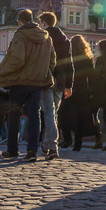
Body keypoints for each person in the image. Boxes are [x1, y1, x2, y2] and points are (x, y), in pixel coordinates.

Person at [0, 8, 56, 162]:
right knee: (35, 116)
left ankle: (13, 149)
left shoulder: (20, 35)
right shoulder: (46, 36)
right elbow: (52, 60)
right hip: (37, 82)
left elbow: (17, 59)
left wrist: (3, 73)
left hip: (20, 81)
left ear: (19, 21)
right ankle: (32, 151)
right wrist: (43, 72)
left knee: (14, 114)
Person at [38, 11, 73, 157]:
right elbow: (70, 64)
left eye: (40, 23)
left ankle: (52, 146)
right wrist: (69, 85)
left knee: (48, 112)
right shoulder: (65, 40)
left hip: (46, 78)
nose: (40, 26)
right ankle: (47, 143)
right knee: (52, 113)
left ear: (44, 23)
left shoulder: (43, 37)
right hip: (60, 81)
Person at [59, 36, 96, 151]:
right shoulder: (87, 58)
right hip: (82, 91)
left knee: (63, 114)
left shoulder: (69, 57)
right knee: (79, 118)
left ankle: (67, 138)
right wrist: (91, 91)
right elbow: (92, 77)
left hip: (69, 89)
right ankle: (78, 143)